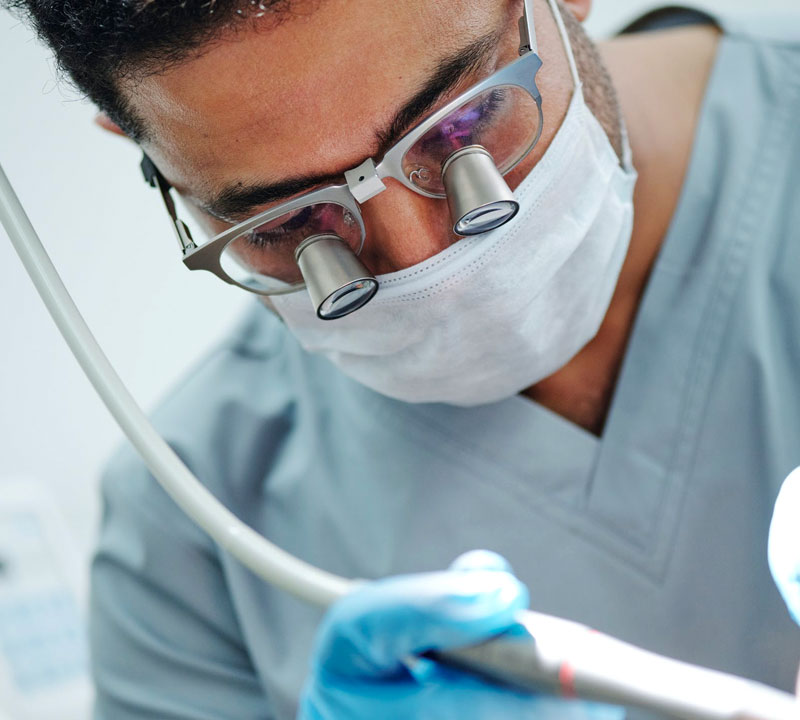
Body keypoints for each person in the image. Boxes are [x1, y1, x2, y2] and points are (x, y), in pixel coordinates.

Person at [4, 0, 799, 717]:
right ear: (146, 151)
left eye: (467, 126)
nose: (431, 268)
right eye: (294, 223)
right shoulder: (192, 536)